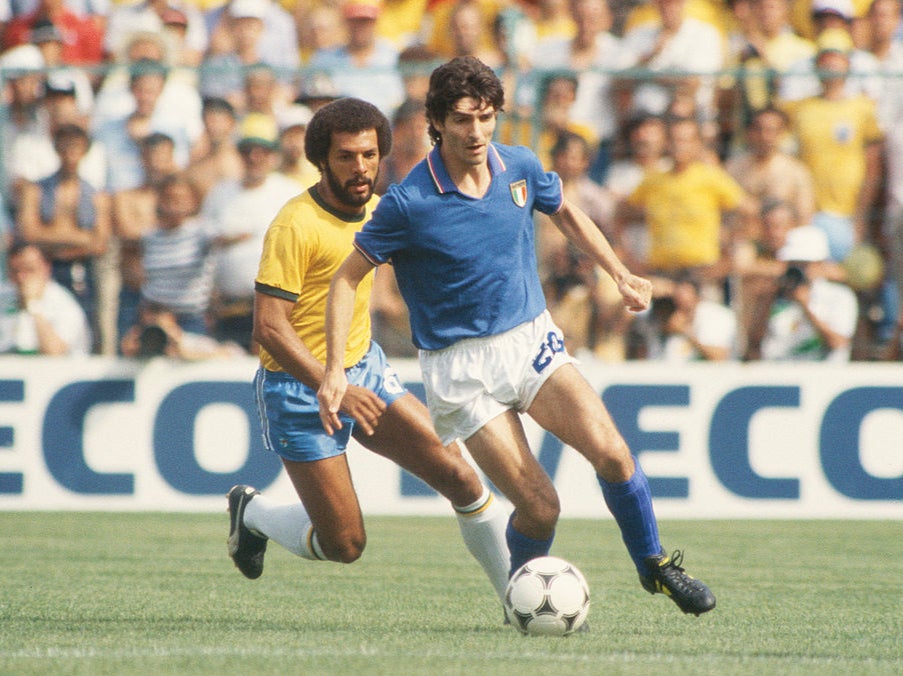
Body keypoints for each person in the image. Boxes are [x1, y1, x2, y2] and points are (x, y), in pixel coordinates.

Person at [320, 57, 716, 616]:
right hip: (460, 368)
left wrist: (618, 272)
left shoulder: (520, 165)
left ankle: (654, 566)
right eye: (461, 120)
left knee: (613, 454)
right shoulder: (410, 201)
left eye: (485, 117)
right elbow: (346, 280)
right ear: (436, 121)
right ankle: (518, 599)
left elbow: (567, 213)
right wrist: (335, 367)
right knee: (540, 507)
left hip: (531, 341)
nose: (476, 132)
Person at [226, 97, 511, 608]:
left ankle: (515, 601)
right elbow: (269, 327)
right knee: (345, 545)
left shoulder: (384, 211)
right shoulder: (296, 224)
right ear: (321, 160)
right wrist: (331, 385)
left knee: (462, 477)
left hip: (367, 374)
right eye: (346, 157)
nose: (360, 168)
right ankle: (254, 513)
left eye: (369, 154)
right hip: (300, 391)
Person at [0, 241, 91, 355]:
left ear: (46, 268)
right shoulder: (3, 295)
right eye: (15, 271)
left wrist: (33, 305)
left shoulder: (64, 304)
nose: (21, 277)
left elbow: (54, 352)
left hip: (57, 371)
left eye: (29, 270)